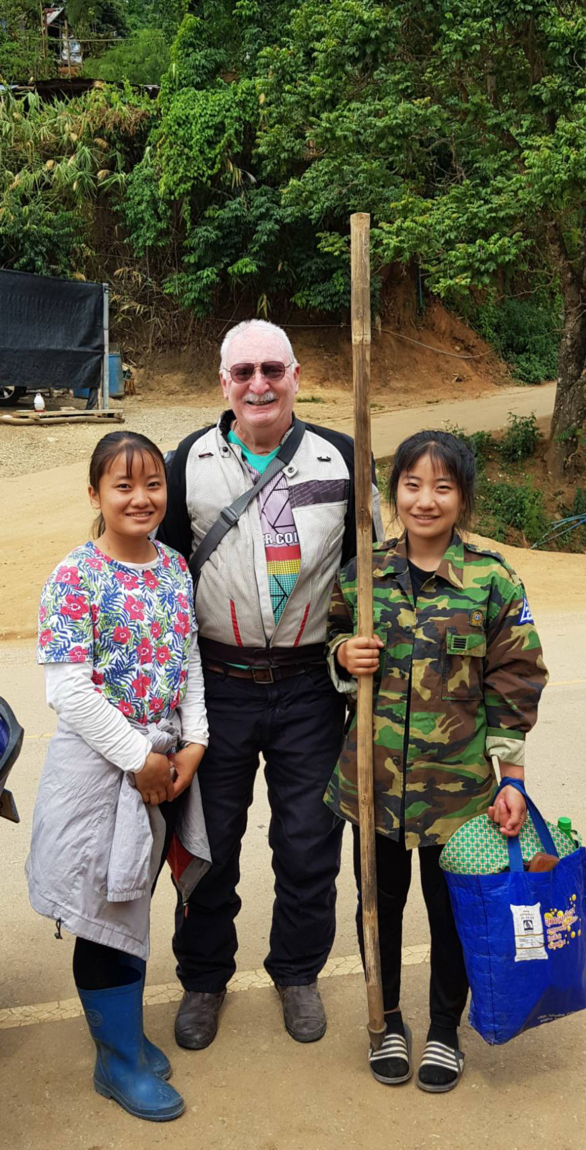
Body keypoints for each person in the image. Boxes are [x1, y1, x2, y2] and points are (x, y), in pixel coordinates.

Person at [159, 318, 382, 1049]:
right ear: (223, 382)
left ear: (296, 376)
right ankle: (203, 979)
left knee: (310, 843)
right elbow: (162, 578)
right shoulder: (187, 462)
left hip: (310, 685)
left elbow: (372, 573)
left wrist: (355, 649)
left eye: (272, 370)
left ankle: (297, 972)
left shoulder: (342, 456)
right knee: (207, 843)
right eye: (244, 371)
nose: (259, 384)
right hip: (217, 685)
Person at [324, 429, 548, 1092]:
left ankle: (445, 1029)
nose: (426, 500)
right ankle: (386, 1018)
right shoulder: (363, 575)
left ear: (463, 497)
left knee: (453, 912)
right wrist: (342, 656)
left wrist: (512, 780)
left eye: (442, 487)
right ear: (394, 494)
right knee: (377, 904)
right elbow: (330, 640)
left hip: (459, 793)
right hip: (374, 786)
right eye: (413, 485)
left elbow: (516, 680)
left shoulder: (492, 579)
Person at [26, 431, 211, 1123]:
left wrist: (196, 741)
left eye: (152, 484)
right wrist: (140, 759)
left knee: (133, 902)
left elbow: (188, 659)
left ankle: (124, 1036)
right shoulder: (74, 576)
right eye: (123, 485)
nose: (141, 498)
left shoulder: (173, 567)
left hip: (161, 763)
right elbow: (69, 691)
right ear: (95, 494)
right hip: (102, 771)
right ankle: (117, 1062)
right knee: (106, 915)